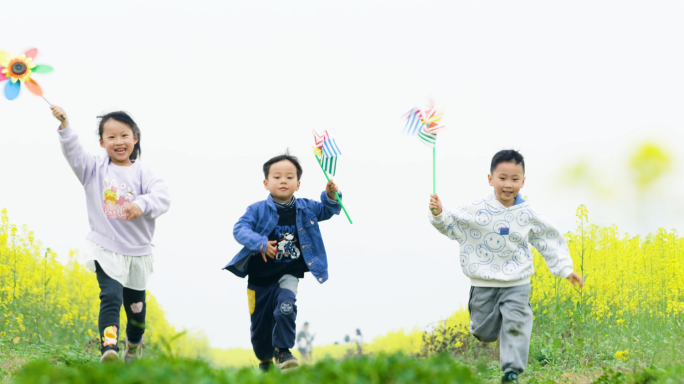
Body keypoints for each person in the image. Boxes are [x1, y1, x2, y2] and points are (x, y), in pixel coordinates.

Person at [428, 149, 583, 384]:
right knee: (484, 332)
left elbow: (548, 239)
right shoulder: (476, 209)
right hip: (484, 283)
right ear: (490, 179)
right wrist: (438, 214)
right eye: (502, 178)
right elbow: (451, 224)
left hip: (517, 282)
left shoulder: (527, 213)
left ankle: (511, 372)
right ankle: (495, 325)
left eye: (514, 179)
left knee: (516, 322)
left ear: (523, 181)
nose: (508, 184)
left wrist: (565, 269)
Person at [51, 106, 170, 363]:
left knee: (136, 309)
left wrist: (141, 204)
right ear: (102, 142)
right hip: (105, 249)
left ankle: (133, 345)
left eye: (124, 135)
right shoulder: (93, 169)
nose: (119, 142)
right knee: (111, 297)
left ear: (135, 138)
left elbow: (162, 198)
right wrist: (65, 125)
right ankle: (109, 349)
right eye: (112, 137)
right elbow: (74, 152)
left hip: (137, 252)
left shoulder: (144, 172)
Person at [224, 152, 343, 371]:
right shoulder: (257, 209)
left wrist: (331, 196)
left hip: (288, 275)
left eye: (289, 177)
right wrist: (260, 243)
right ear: (266, 183)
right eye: (277, 177)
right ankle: (266, 362)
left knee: (286, 307)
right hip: (258, 280)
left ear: (298, 184)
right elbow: (239, 229)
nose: (283, 181)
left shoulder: (307, 208)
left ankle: (283, 351)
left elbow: (328, 210)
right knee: (260, 327)